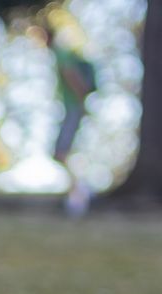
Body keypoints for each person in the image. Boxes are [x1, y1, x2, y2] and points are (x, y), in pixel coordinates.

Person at [45, 27, 96, 216]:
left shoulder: (62, 55)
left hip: (73, 108)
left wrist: (81, 103)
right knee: (63, 153)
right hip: (71, 108)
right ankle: (79, 190)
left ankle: (80, 192)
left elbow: (72, 76)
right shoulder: (61, 54)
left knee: (61, 152)